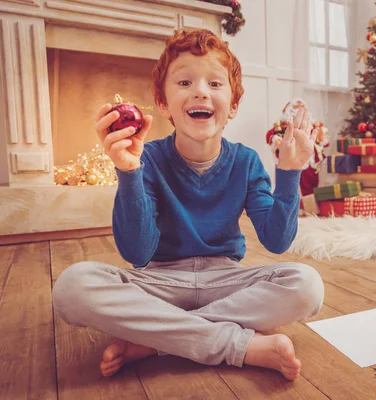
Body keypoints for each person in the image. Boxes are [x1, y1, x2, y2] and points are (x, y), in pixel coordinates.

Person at [51, 28, 325, 381]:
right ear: (163, 104)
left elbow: (276, 241)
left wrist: (289, 171)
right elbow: (138, 251)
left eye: (214, 84)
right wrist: (129, 173)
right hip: (160, 281)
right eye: (184, 83)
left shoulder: (247, 162)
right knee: (72, 288)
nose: (200, 90)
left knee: (307, 285)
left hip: (225, 279)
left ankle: (159, 339)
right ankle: (236, 345)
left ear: (234, 105)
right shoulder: (145, 157)